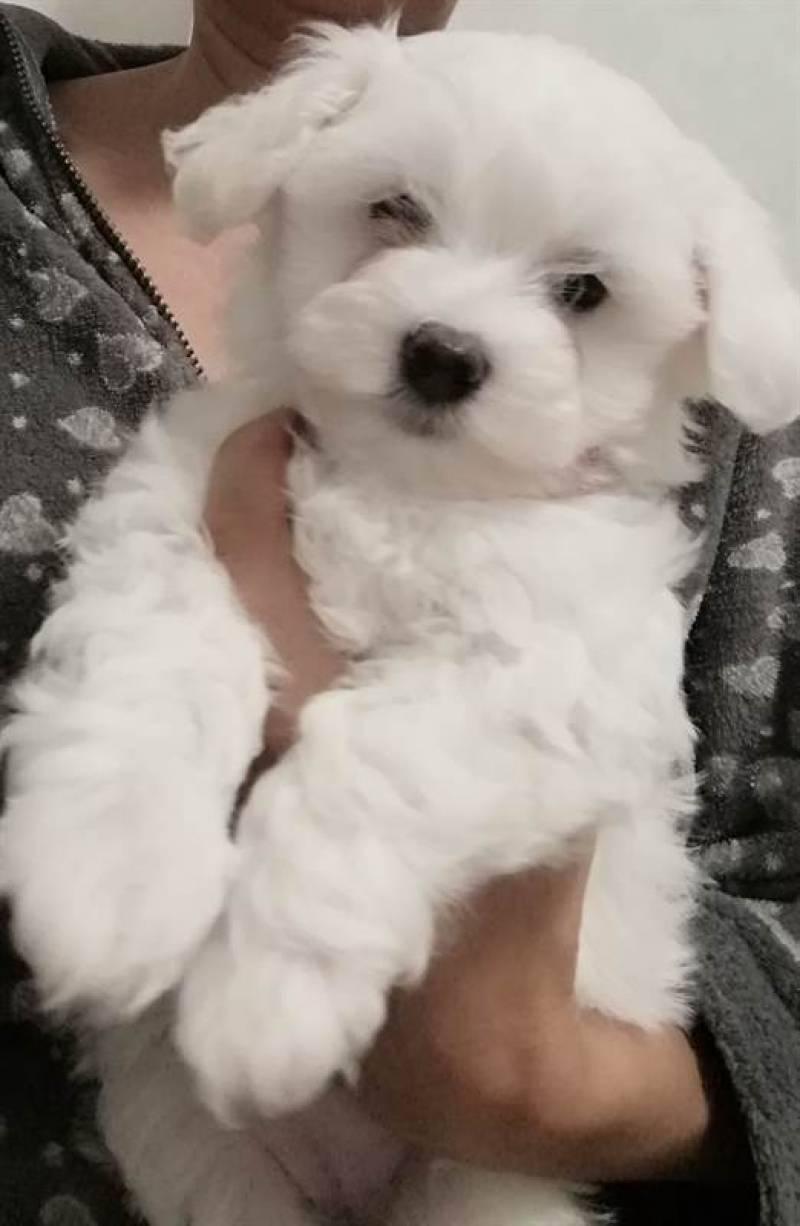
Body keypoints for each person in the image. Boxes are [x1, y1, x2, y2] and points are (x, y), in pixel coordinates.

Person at [0, 1, 797, 1222]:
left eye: (578, 291)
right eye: (395, 213)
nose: (453, 332)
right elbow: (151, 600)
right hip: (187, 1123)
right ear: (286, 188)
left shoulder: (594, 569)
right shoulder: (216, 451)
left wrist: (332, 883)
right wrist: (133, 784)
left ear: (686, 323)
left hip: (486, 1171)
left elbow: (543, 731)